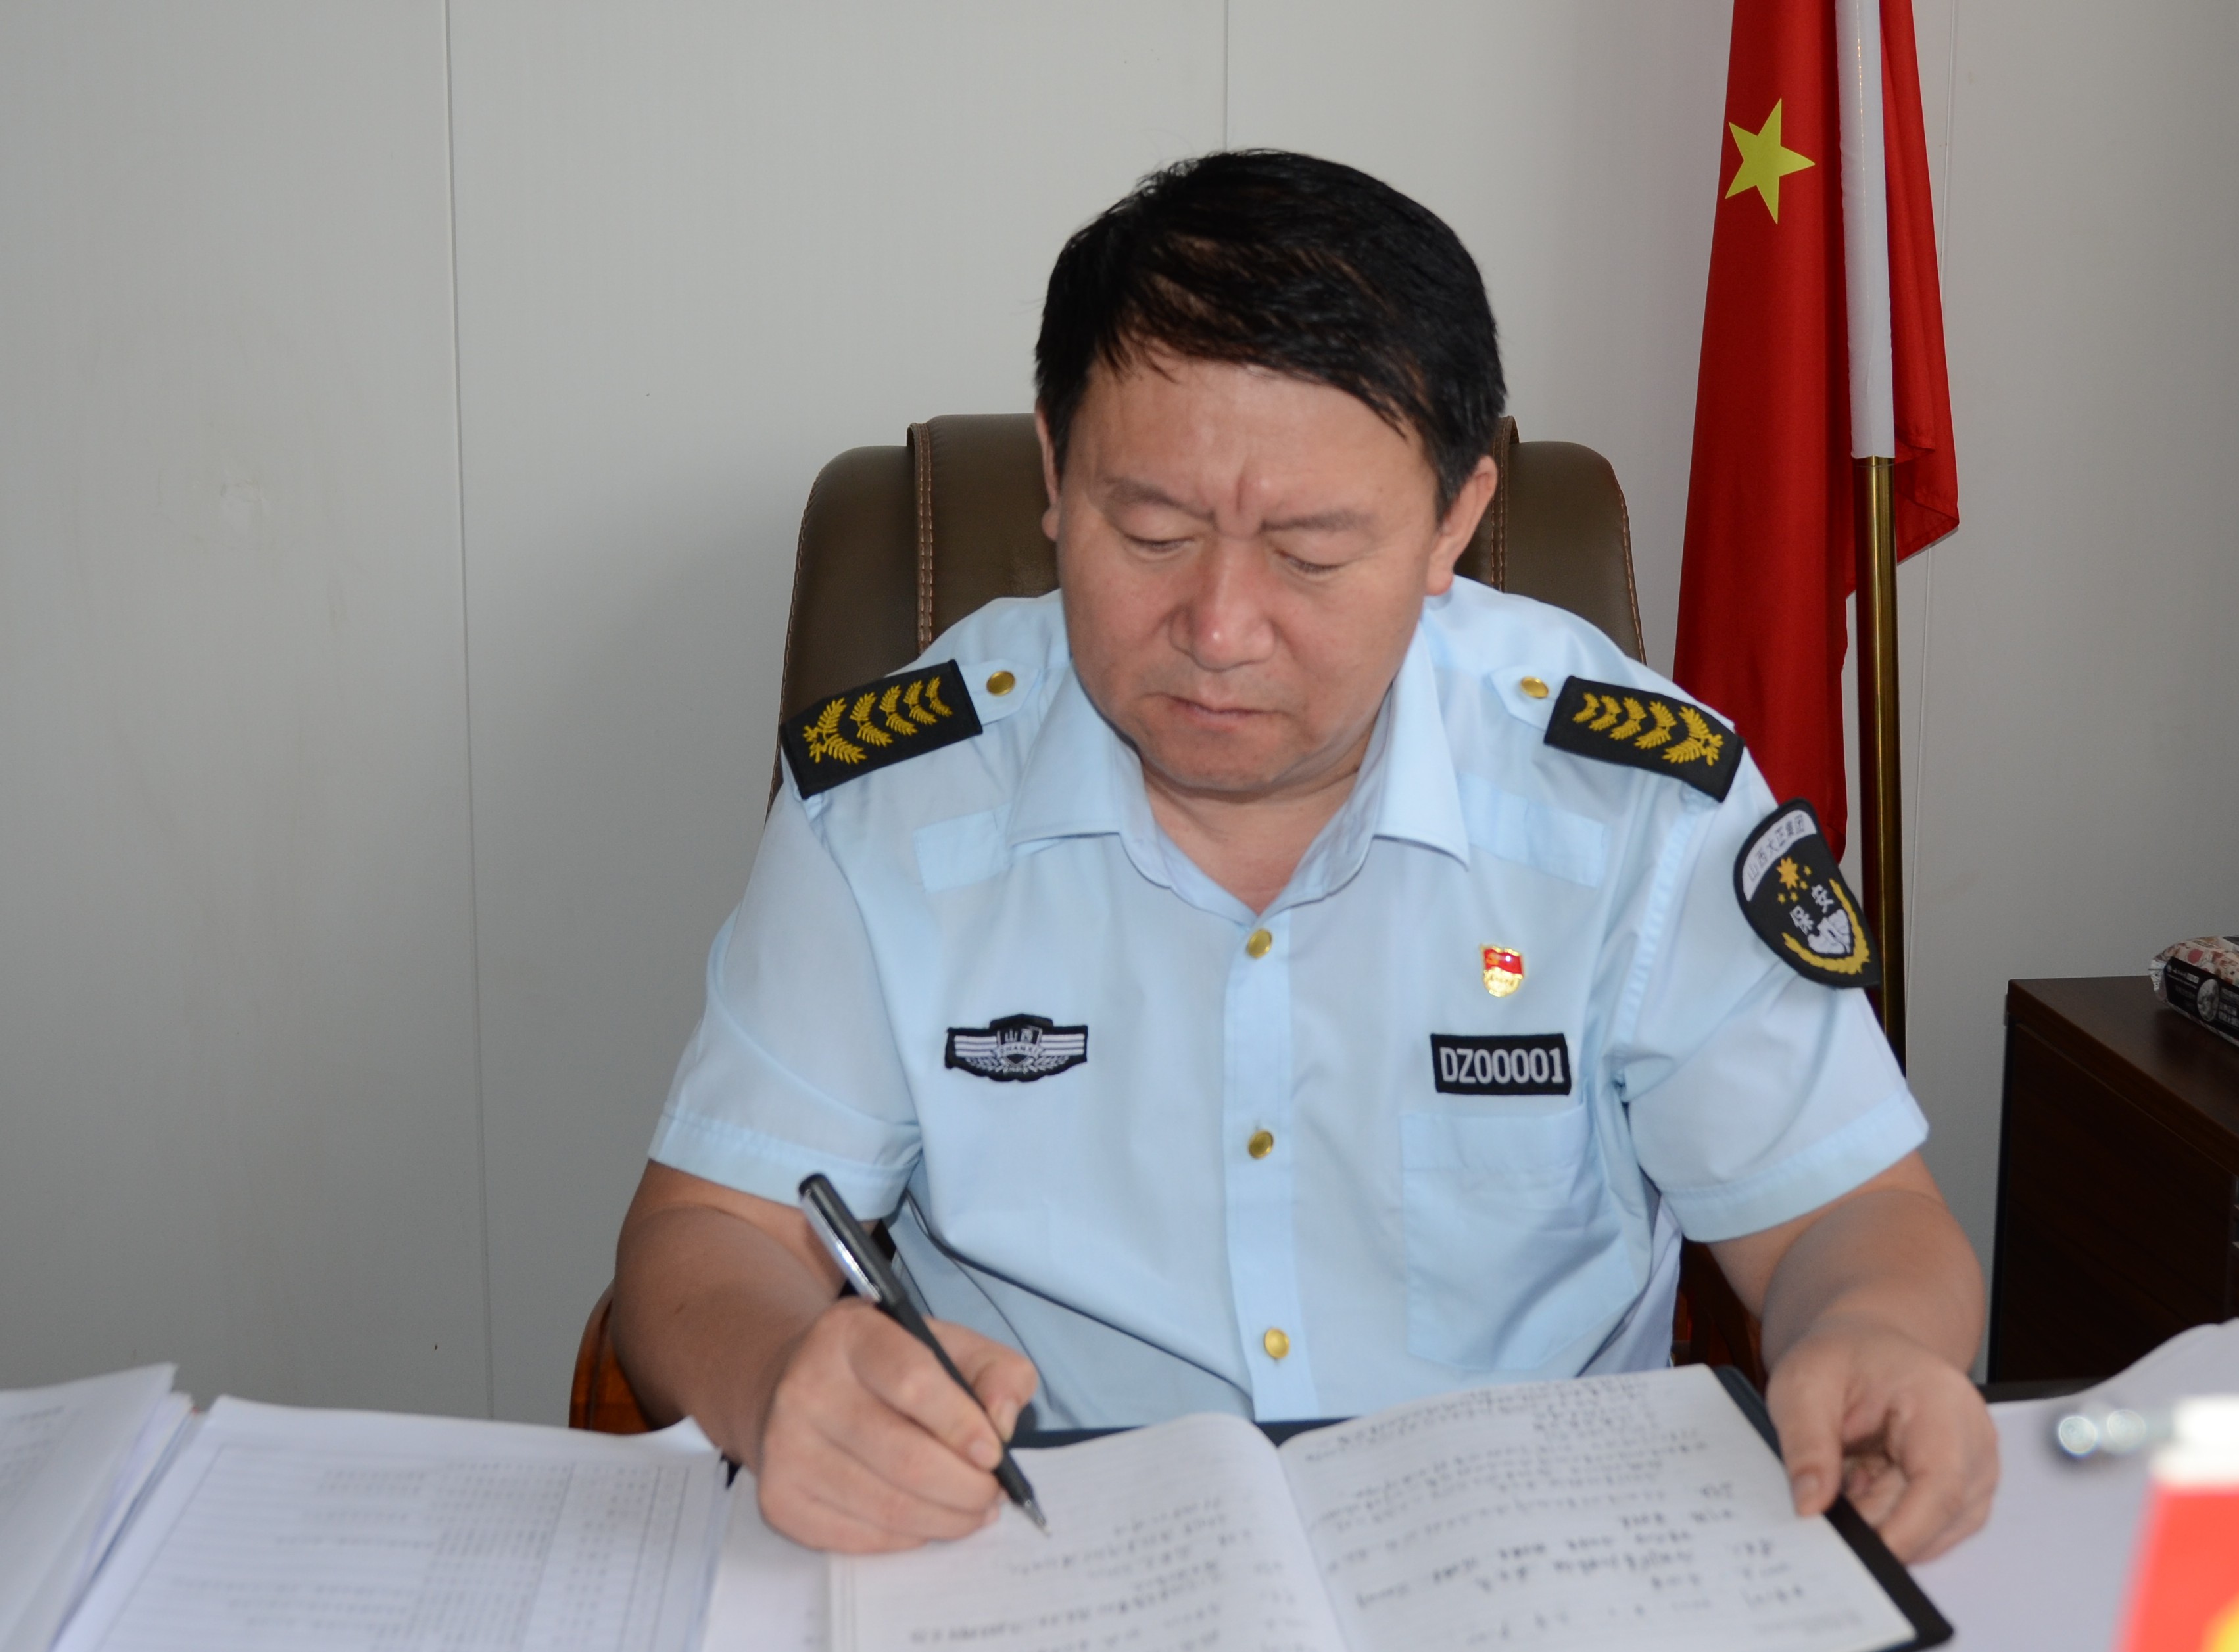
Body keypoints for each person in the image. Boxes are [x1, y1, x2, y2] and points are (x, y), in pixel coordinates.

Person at [610, 149, 1996, 1563]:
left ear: (1454, 518)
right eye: (1151, 529)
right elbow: (708, 1236)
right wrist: (781, 1377)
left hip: (1537, 1558)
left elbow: (1849, 1214)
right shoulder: (895, 803)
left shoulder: (1635, 805)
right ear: (1053, 473)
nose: (1218, 628)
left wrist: (1875, 1336)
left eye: (1311, 553)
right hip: (1047, 1558)